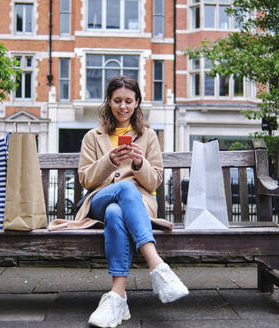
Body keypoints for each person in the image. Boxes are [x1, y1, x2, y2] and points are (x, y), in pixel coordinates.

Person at [78, 76, 188, 327]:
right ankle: (157, 265)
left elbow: (154, 182)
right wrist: (110, 160)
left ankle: (117, 297)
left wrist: (139, 163)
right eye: (117, 101)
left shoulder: (147, 136)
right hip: (98, 202)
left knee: (117, 212)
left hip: (137, 204)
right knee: (122, 190)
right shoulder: (93, 137)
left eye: (129, 101)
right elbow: (85, 179)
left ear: (137, 103)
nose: (123, 107)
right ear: (109, 101)